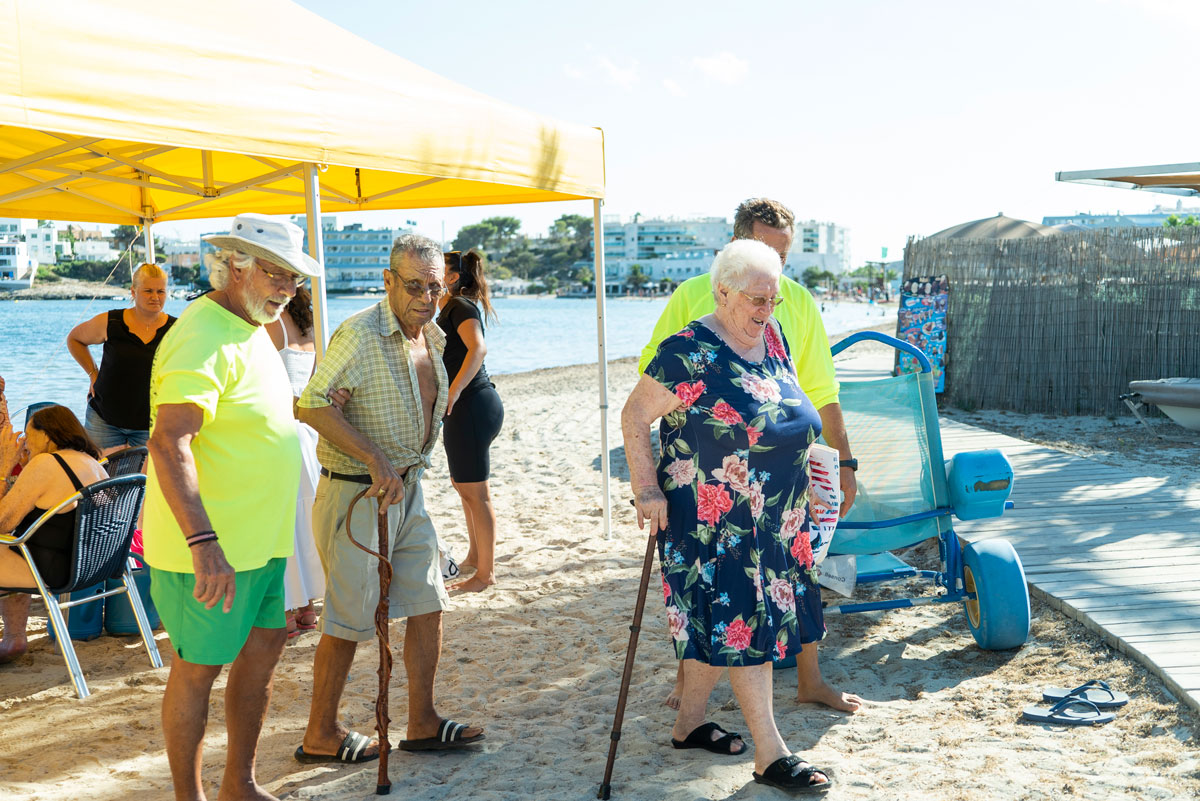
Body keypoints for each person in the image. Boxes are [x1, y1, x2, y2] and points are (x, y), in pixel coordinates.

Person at [623, 239, 833, 793]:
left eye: (773, 299)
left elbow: (790, 418)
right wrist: (647, 490)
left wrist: (812, 479)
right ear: (721, 292)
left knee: (717, 624)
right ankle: (770, 752)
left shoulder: (774, 340)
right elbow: (634, 417)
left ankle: (689, 723)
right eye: (755, 299)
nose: (766, 311)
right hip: (715, 523)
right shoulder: (686, 352)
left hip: (777, 521)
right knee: (746, 629)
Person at [639, 197, 862, 715]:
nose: (774, 271)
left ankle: (809, 680)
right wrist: (648, 484)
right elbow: (651, 384)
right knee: (713, 591)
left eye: (783, 255)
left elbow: (820, 391)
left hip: (782, 485)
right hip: (711, 484)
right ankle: (694, 694)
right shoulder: (693, 295)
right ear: (737, 248)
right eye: (766, 250)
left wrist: (844, 462)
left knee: (794, 577)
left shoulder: (793, 302)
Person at [143, 213, 320, 801]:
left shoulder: (252, 325)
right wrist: (203, 543)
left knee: (263, 654)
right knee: (198, 671)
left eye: (295, 280)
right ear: (236, 265)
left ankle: (238, 784)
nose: (287, 290)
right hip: (209, 548)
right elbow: (169, 441)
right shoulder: (201, 333)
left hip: (263, 543)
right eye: (278, 274)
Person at [296, 233, 483, 765]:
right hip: (359, 495)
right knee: (350, 621)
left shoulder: (435, 338)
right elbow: (310, 405)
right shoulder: (360, 334)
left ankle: (422, 721)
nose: (426, 297)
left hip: (409, 492)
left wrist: (399, 466)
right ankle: (320, 733)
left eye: (435, 287)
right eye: (414, 286)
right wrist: (376, 458)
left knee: (428, 604)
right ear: (388, 281)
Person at [0, 405, 108, 663]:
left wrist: (4, 468)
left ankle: (14, 638)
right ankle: (13, 638)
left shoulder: (46, 463)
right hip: (90, 565)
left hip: (53, 570)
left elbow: (3, 523)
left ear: (47, 436)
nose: (24, 441)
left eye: (28, 434)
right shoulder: (91, 462)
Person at [437, 250, 504, 593]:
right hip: (466, 406)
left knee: (477, 493)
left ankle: (485, 575)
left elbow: (478, 349)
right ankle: (475, 558)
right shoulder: (449, 306)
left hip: (473, 404)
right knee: (463, 486)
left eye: (438, 267)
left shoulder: (460, 306)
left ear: (450, 277)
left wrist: (453, 391)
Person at [67, 262, 176, 455]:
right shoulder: (111, 322)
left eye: (161, 291)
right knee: (96, 478)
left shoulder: (176, 329)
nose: (155, 297)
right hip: (104, 420)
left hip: (149, 424)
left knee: (144, 483)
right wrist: (93, 374)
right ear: (133, 292)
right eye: (148, 291)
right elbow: (74, 339)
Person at [266, 285, 324, 637]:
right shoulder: (313, 328)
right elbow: (316, 384)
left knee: (285, 523)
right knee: (306, 521)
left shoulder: (273, 325)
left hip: (280, 432)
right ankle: (307, 608)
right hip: (308, 433)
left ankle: (288, 607)